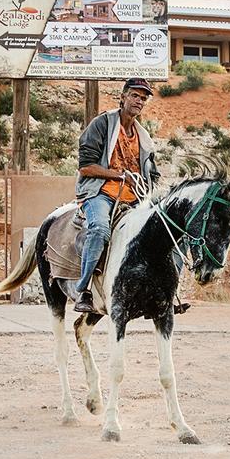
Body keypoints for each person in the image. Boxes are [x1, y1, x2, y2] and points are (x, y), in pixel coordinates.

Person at [72, 77, 161, 313]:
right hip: (100, 193)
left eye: (143, 98)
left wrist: (151, 185)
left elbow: (153, 173)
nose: (139, 101)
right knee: (100, 229)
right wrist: (120, 176)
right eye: (134, 95)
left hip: (135, 198)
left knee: (163, 229)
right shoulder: (102, 124)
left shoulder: (144, 138)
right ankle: (85, 289)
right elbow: (86, 166)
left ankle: (163, 294)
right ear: (122, 97)